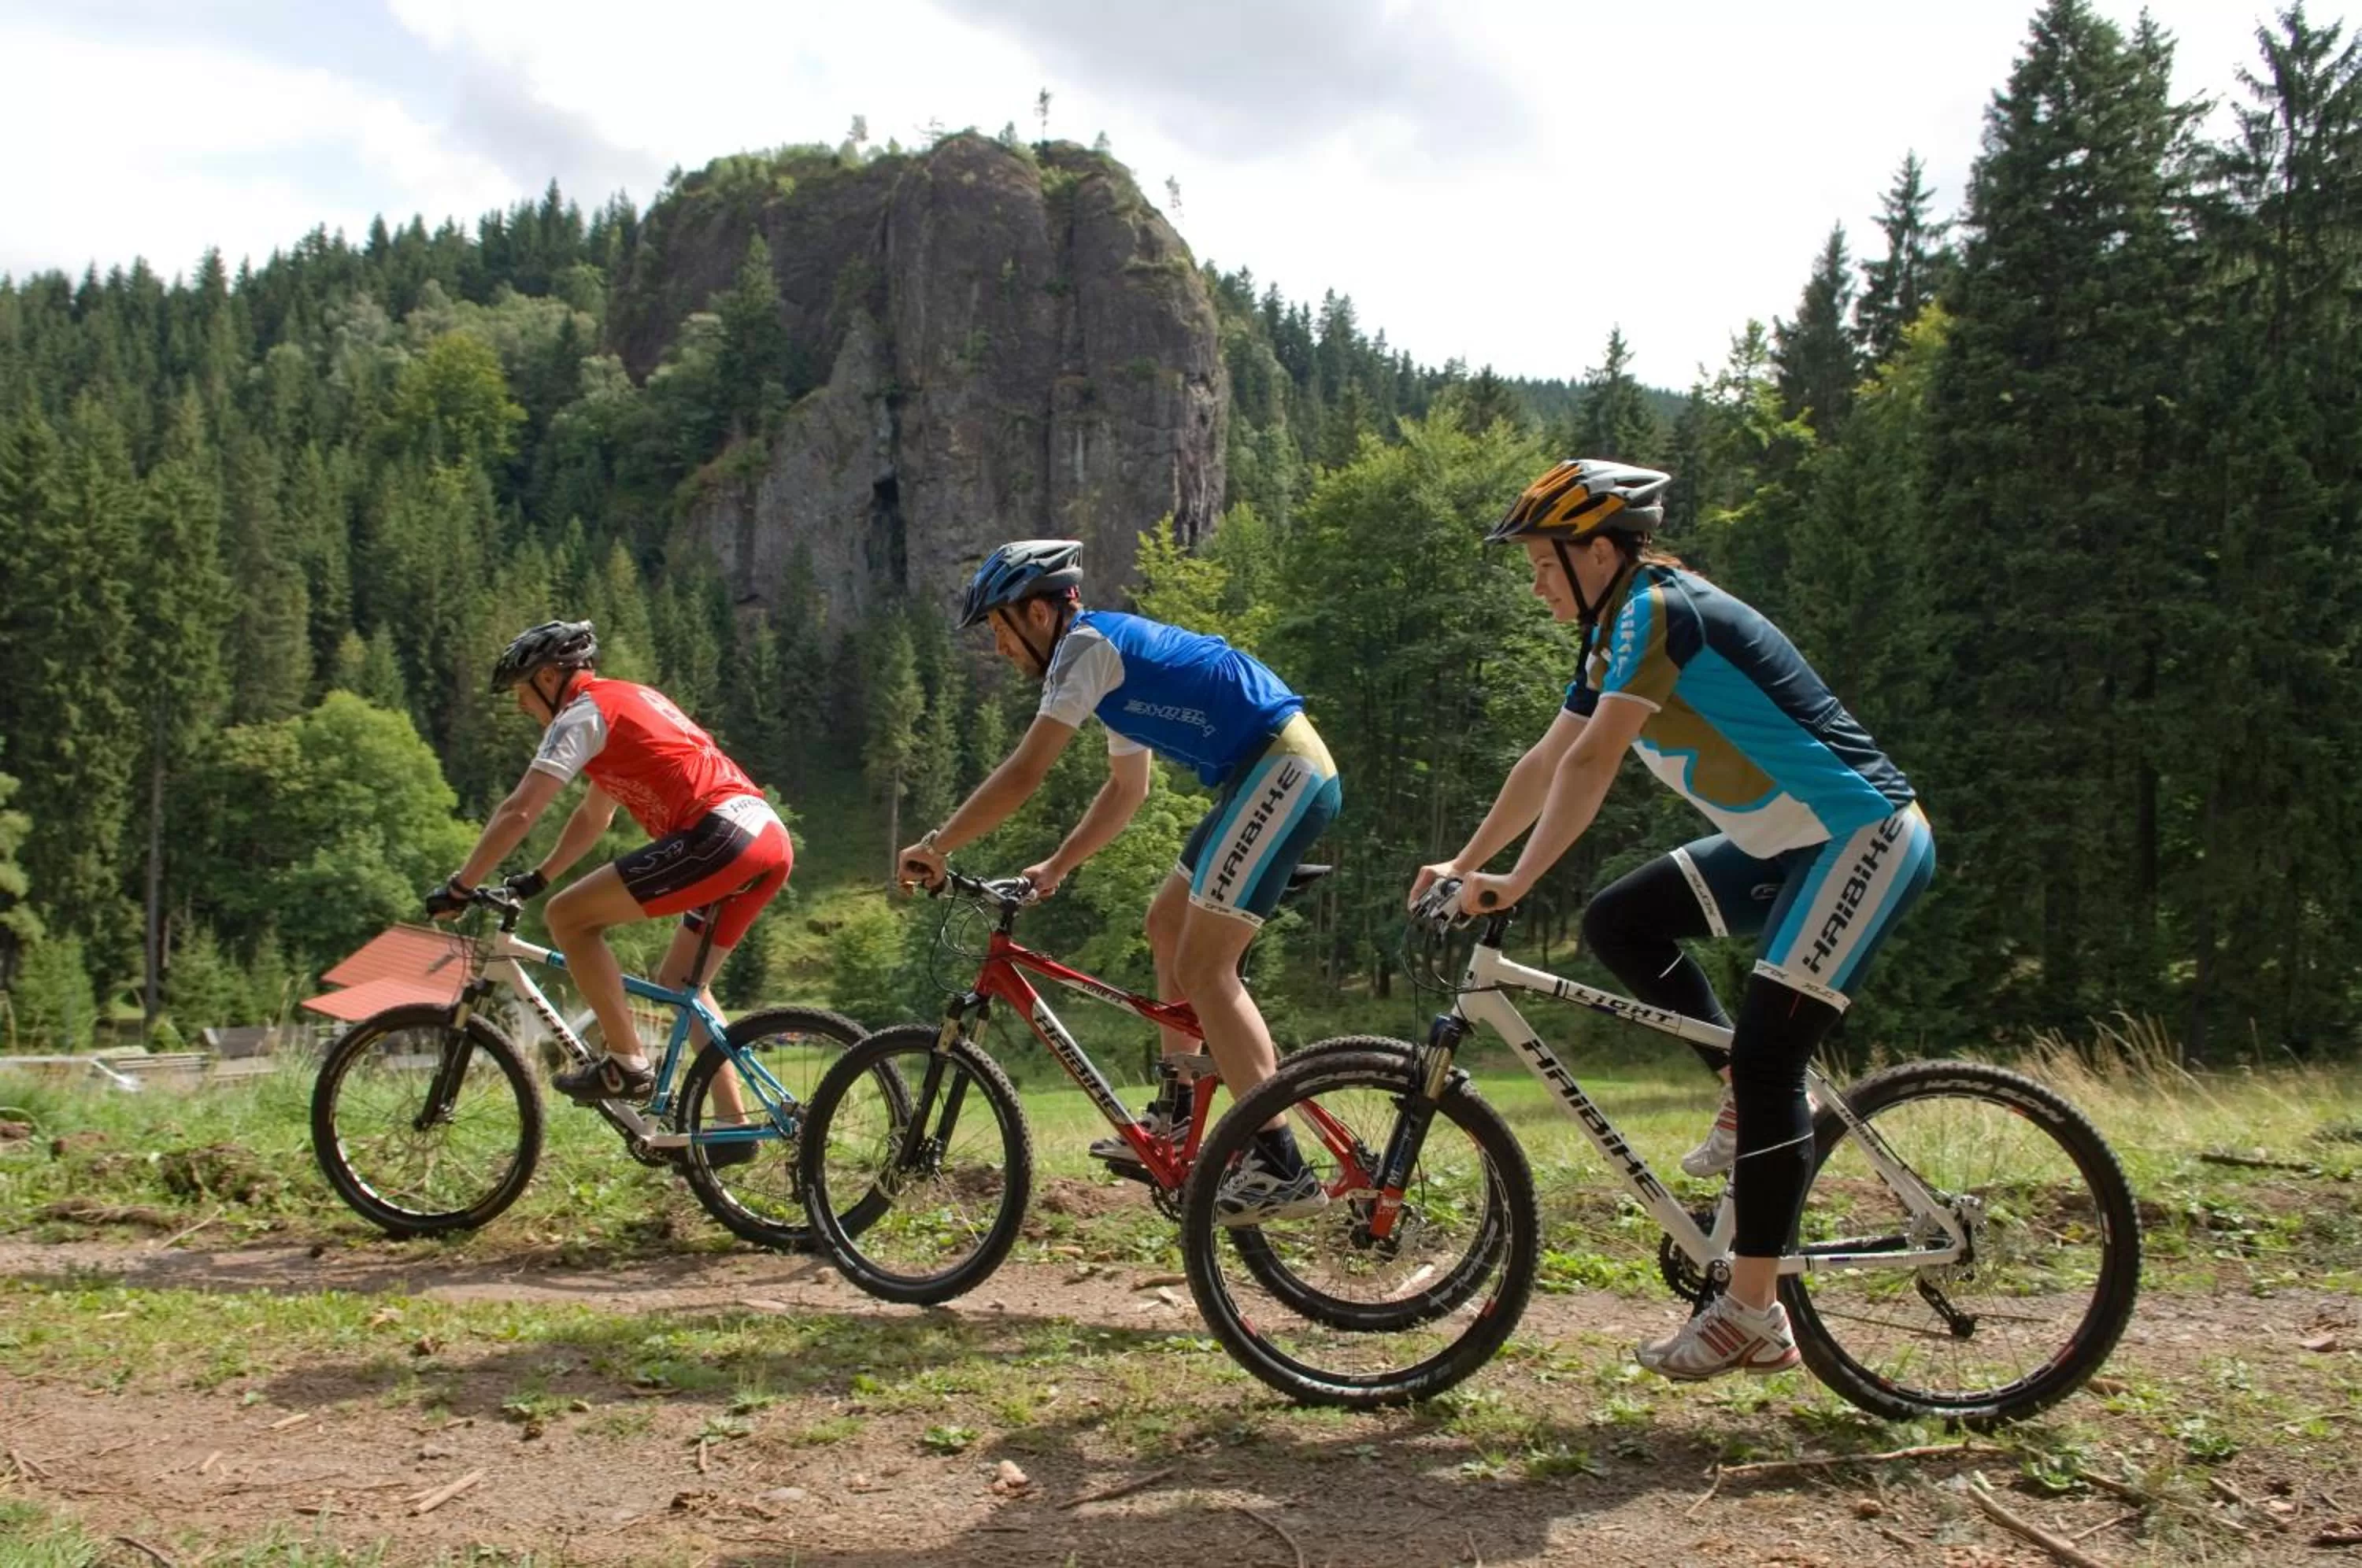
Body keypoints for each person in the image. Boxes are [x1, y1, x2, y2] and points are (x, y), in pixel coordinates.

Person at [1408, 460, 1934, 1381]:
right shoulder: (1610, 630)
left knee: (1776, 1055)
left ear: (1600, 552)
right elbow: (1546, 760)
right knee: (1622, 923)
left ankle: (1752, 1310)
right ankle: (1747, 1096)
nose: (1534, 583)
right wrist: (1465, 860)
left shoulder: (1659, 611)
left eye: (1542, 562)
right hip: (1790, 842)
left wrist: (1520, 878)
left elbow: (1596, 760)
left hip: (1862, 835)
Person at [896, 540, 1342, 1224]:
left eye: (998, 629)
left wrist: (937, 845)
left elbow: (1024, 772)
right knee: (1166, 925)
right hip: (1258, 777)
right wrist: (1059, 865)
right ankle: (1176, 1113)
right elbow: (1127, 788)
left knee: (1205, 965)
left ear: (1039, 612)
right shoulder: (1103, 661)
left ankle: (1279, 1162)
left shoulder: (1084, 650)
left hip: (1283, 770)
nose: (997, 649)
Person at [428, 621, 791, 1133]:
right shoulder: (627, 702)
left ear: (550, 678)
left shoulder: (582, 714)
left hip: (721, 833)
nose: (520, 707)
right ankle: (733, 1124)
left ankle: (625, 1062)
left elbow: (519, 811)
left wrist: (462, 885)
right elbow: (595, 817)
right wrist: (541, 875)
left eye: (521, 693)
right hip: (763, 835)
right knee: (683, 982)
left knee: (569, 918)